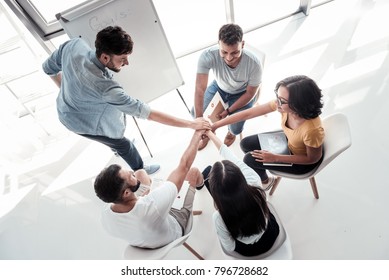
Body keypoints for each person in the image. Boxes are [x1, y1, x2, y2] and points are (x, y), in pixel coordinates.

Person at [42, 25, 210, 175]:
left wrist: (66, 89)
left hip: (64, 109)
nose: (127, 63)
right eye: (122, 59)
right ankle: (140, 170)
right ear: (105, 58)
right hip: (81, 123)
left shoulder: (73, 46)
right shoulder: (106, 89)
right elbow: (149, 114)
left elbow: (48, 68)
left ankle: (116, 149)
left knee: (114, 137)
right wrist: (192, 124)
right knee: (124, 145)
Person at [94, 129, 205, 248]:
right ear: (126, 192)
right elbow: (184, 165)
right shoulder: (151, 205)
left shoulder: (105, 217)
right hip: (176, 230)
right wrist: (197, 134)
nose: (132, 172)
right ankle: (202, 184)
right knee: (193, 172)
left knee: (141, 173)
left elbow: (138, 177)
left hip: (148, 236)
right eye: (129, 176)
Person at [212, 75, 325, 190]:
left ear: (299, 104)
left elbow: (312, 159)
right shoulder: (284, 107)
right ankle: (263, 174)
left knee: (249, 159)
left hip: (302, 162)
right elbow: (248, 114)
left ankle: (265, 181)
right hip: (290, 142)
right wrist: (216, 125)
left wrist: (275, 158)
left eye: (282, 101)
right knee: (245, 143)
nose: (277, 102)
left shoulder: (312, 130)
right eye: (278, 96)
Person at [203, 130, 280, 257]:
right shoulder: (254, 182)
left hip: (251, 250)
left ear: (216, 193)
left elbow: (230, 246)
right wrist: (210, 133)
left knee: (207, 172)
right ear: (240, 176)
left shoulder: (219, 217)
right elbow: (230, 155)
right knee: (208, 173)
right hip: (270, 232)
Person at [193, 23, 263, 150]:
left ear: (242, 44)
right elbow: (199, 89)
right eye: (224, 52)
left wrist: (228, 111)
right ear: (218, 44)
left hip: (242, 92)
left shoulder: (254, 64)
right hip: (220, 86)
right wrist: (199, 120)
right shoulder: (207, 56)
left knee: (236, 127)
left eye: (235, 52)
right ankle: (208, 133)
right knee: (196, 112)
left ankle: (231, 133)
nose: (229, 58)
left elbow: (250, 93)